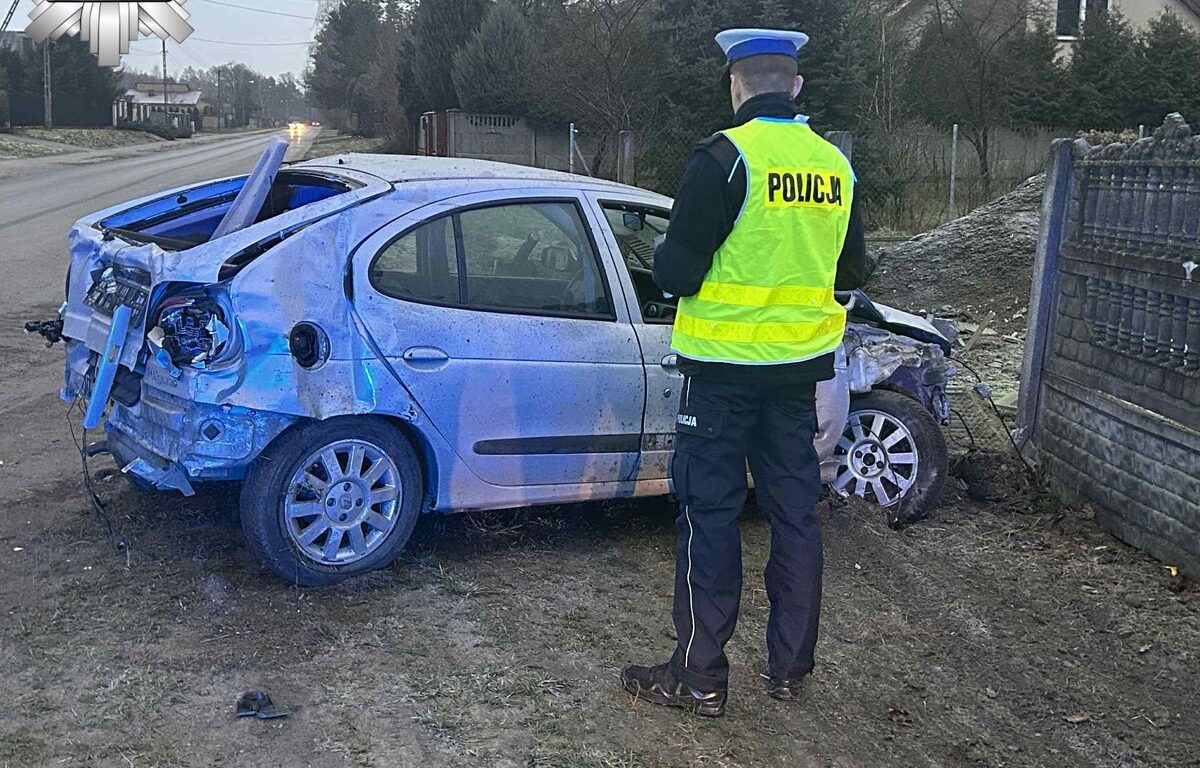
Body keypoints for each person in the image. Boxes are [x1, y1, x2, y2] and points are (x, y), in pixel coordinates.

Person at [620, 27, 869, 718]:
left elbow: (676, 269)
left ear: (735, 85)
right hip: (797, 379)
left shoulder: (726, 158)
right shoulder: (834, 168)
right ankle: (789, 671)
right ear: (795, 87)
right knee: (795, 516)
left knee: (711, 516)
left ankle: (699, 679)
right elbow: (852, 272)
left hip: (723, 379)